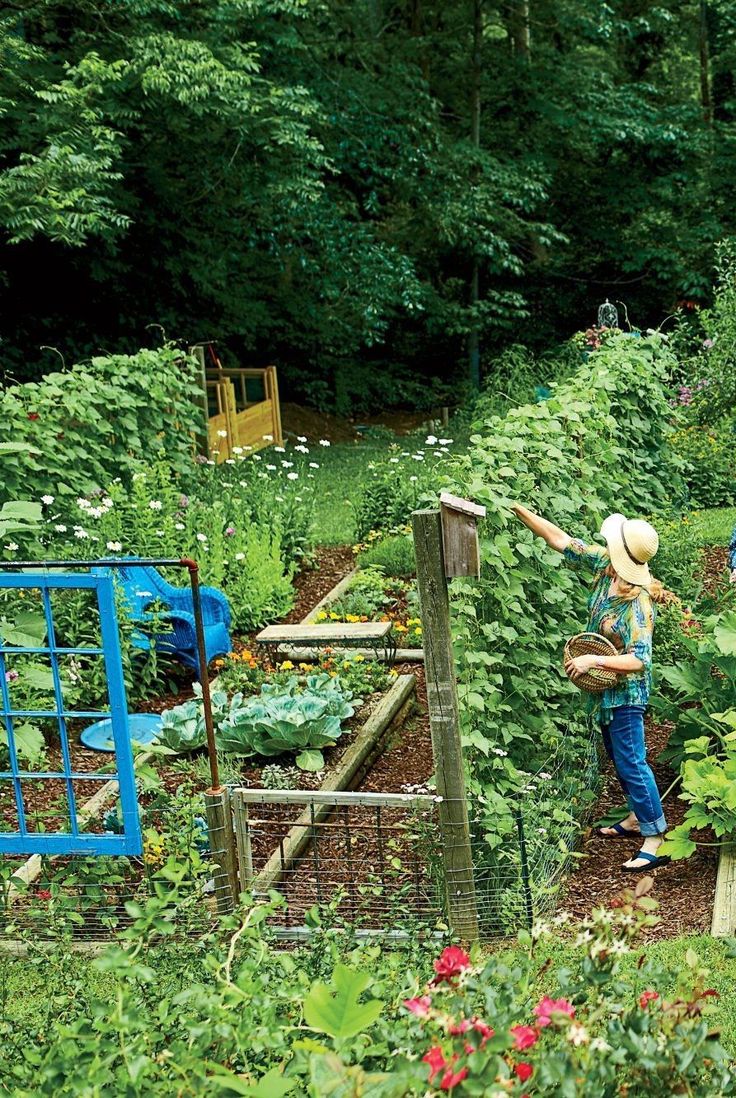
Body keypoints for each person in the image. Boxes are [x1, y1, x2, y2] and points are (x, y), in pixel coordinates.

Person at [511, 505, 670, 872]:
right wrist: (521, 511)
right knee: (619, 757)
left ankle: (655, 837)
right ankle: (635, 817)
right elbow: (560, 539)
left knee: (632, 761)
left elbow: (639, 660)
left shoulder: (638, 606)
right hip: (605, 689)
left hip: (627, 692)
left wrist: (592, 661)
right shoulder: (605, 565)